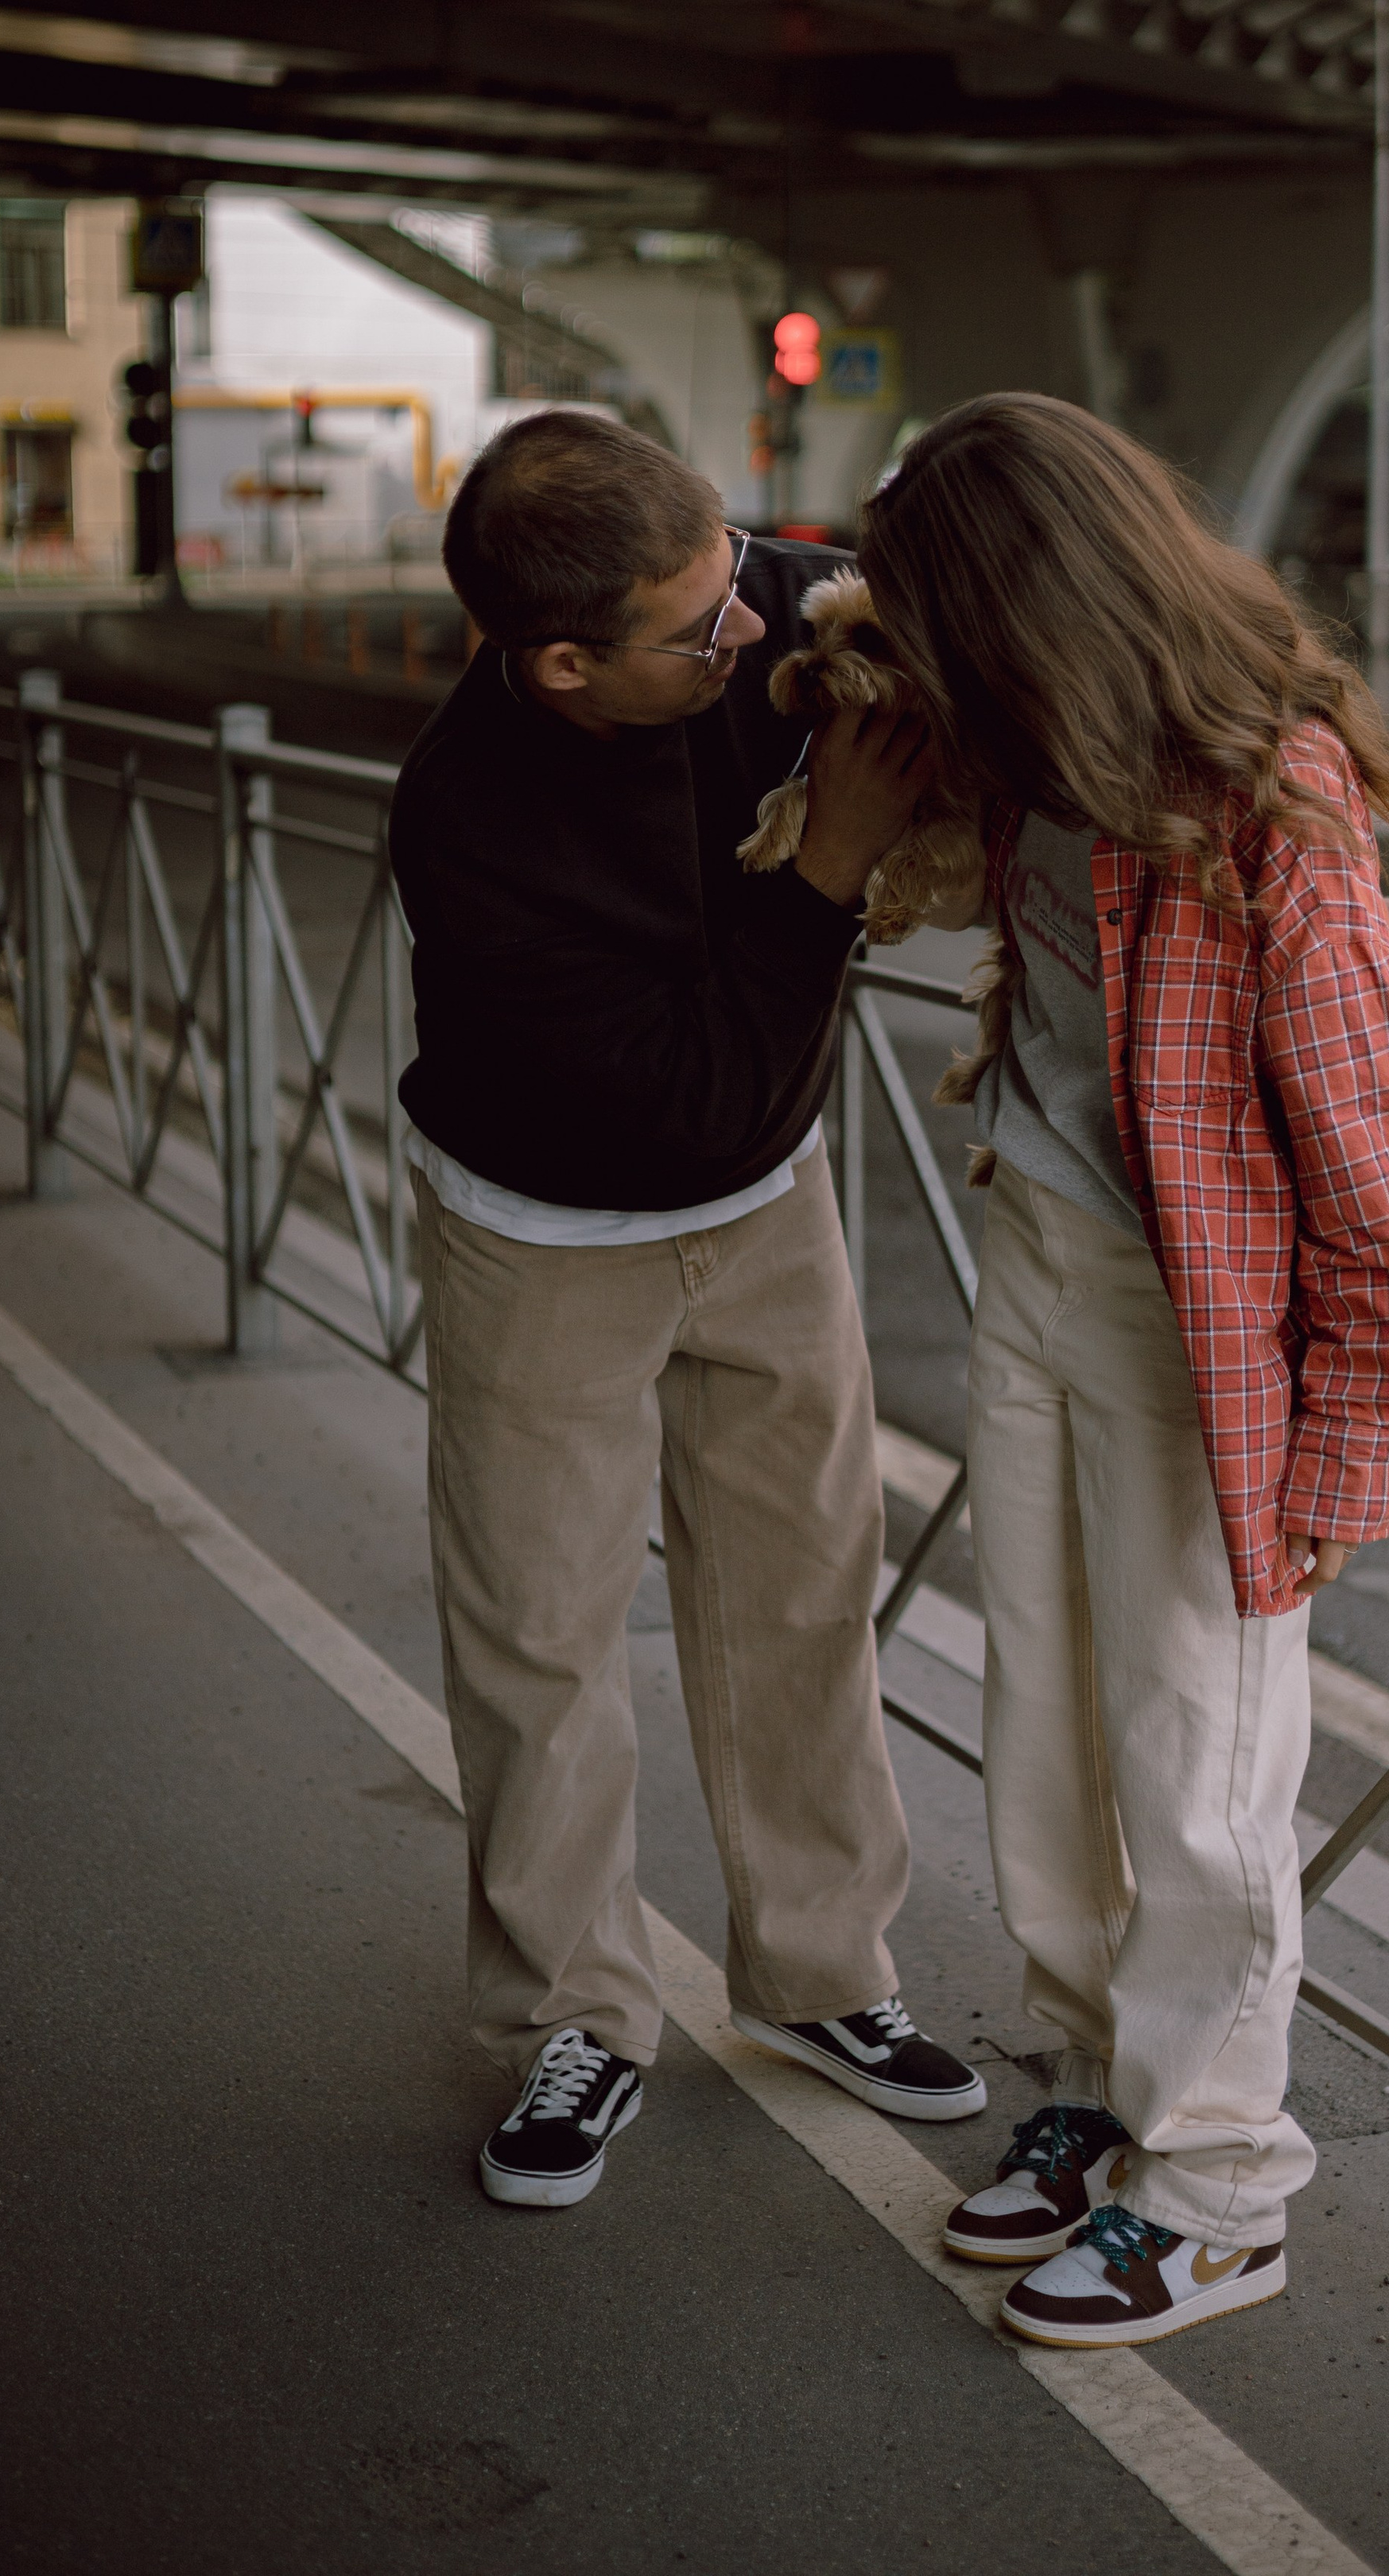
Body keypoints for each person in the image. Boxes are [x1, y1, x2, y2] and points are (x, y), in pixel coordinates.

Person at [856, 394, 1389, 2348]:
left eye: (943, 626)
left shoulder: (1256, 791)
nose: (917, 668)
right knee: (1044, 1720)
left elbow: (1379, 1199)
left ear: (1034, 612)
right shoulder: (1028, 746)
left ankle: (1216, 2179)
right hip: (1034, 1265)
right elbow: (807, 619)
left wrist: (1342, 1453)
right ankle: (1092, 2089)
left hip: (1196, 1331)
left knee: (1201, 1765)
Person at [388, 409, 986, 2212]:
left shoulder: (761, 610)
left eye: (743, 584)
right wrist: (824, 872)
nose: (755, 638)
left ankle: (820, 1973)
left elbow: (1004, 642)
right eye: (700, 630)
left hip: (768, 1204)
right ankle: (575, 2013)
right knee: (542, 1638)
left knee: (801, 1590)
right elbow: (682, 1096)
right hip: (547, 1234)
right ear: (561, 662)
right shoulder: (469, 824)